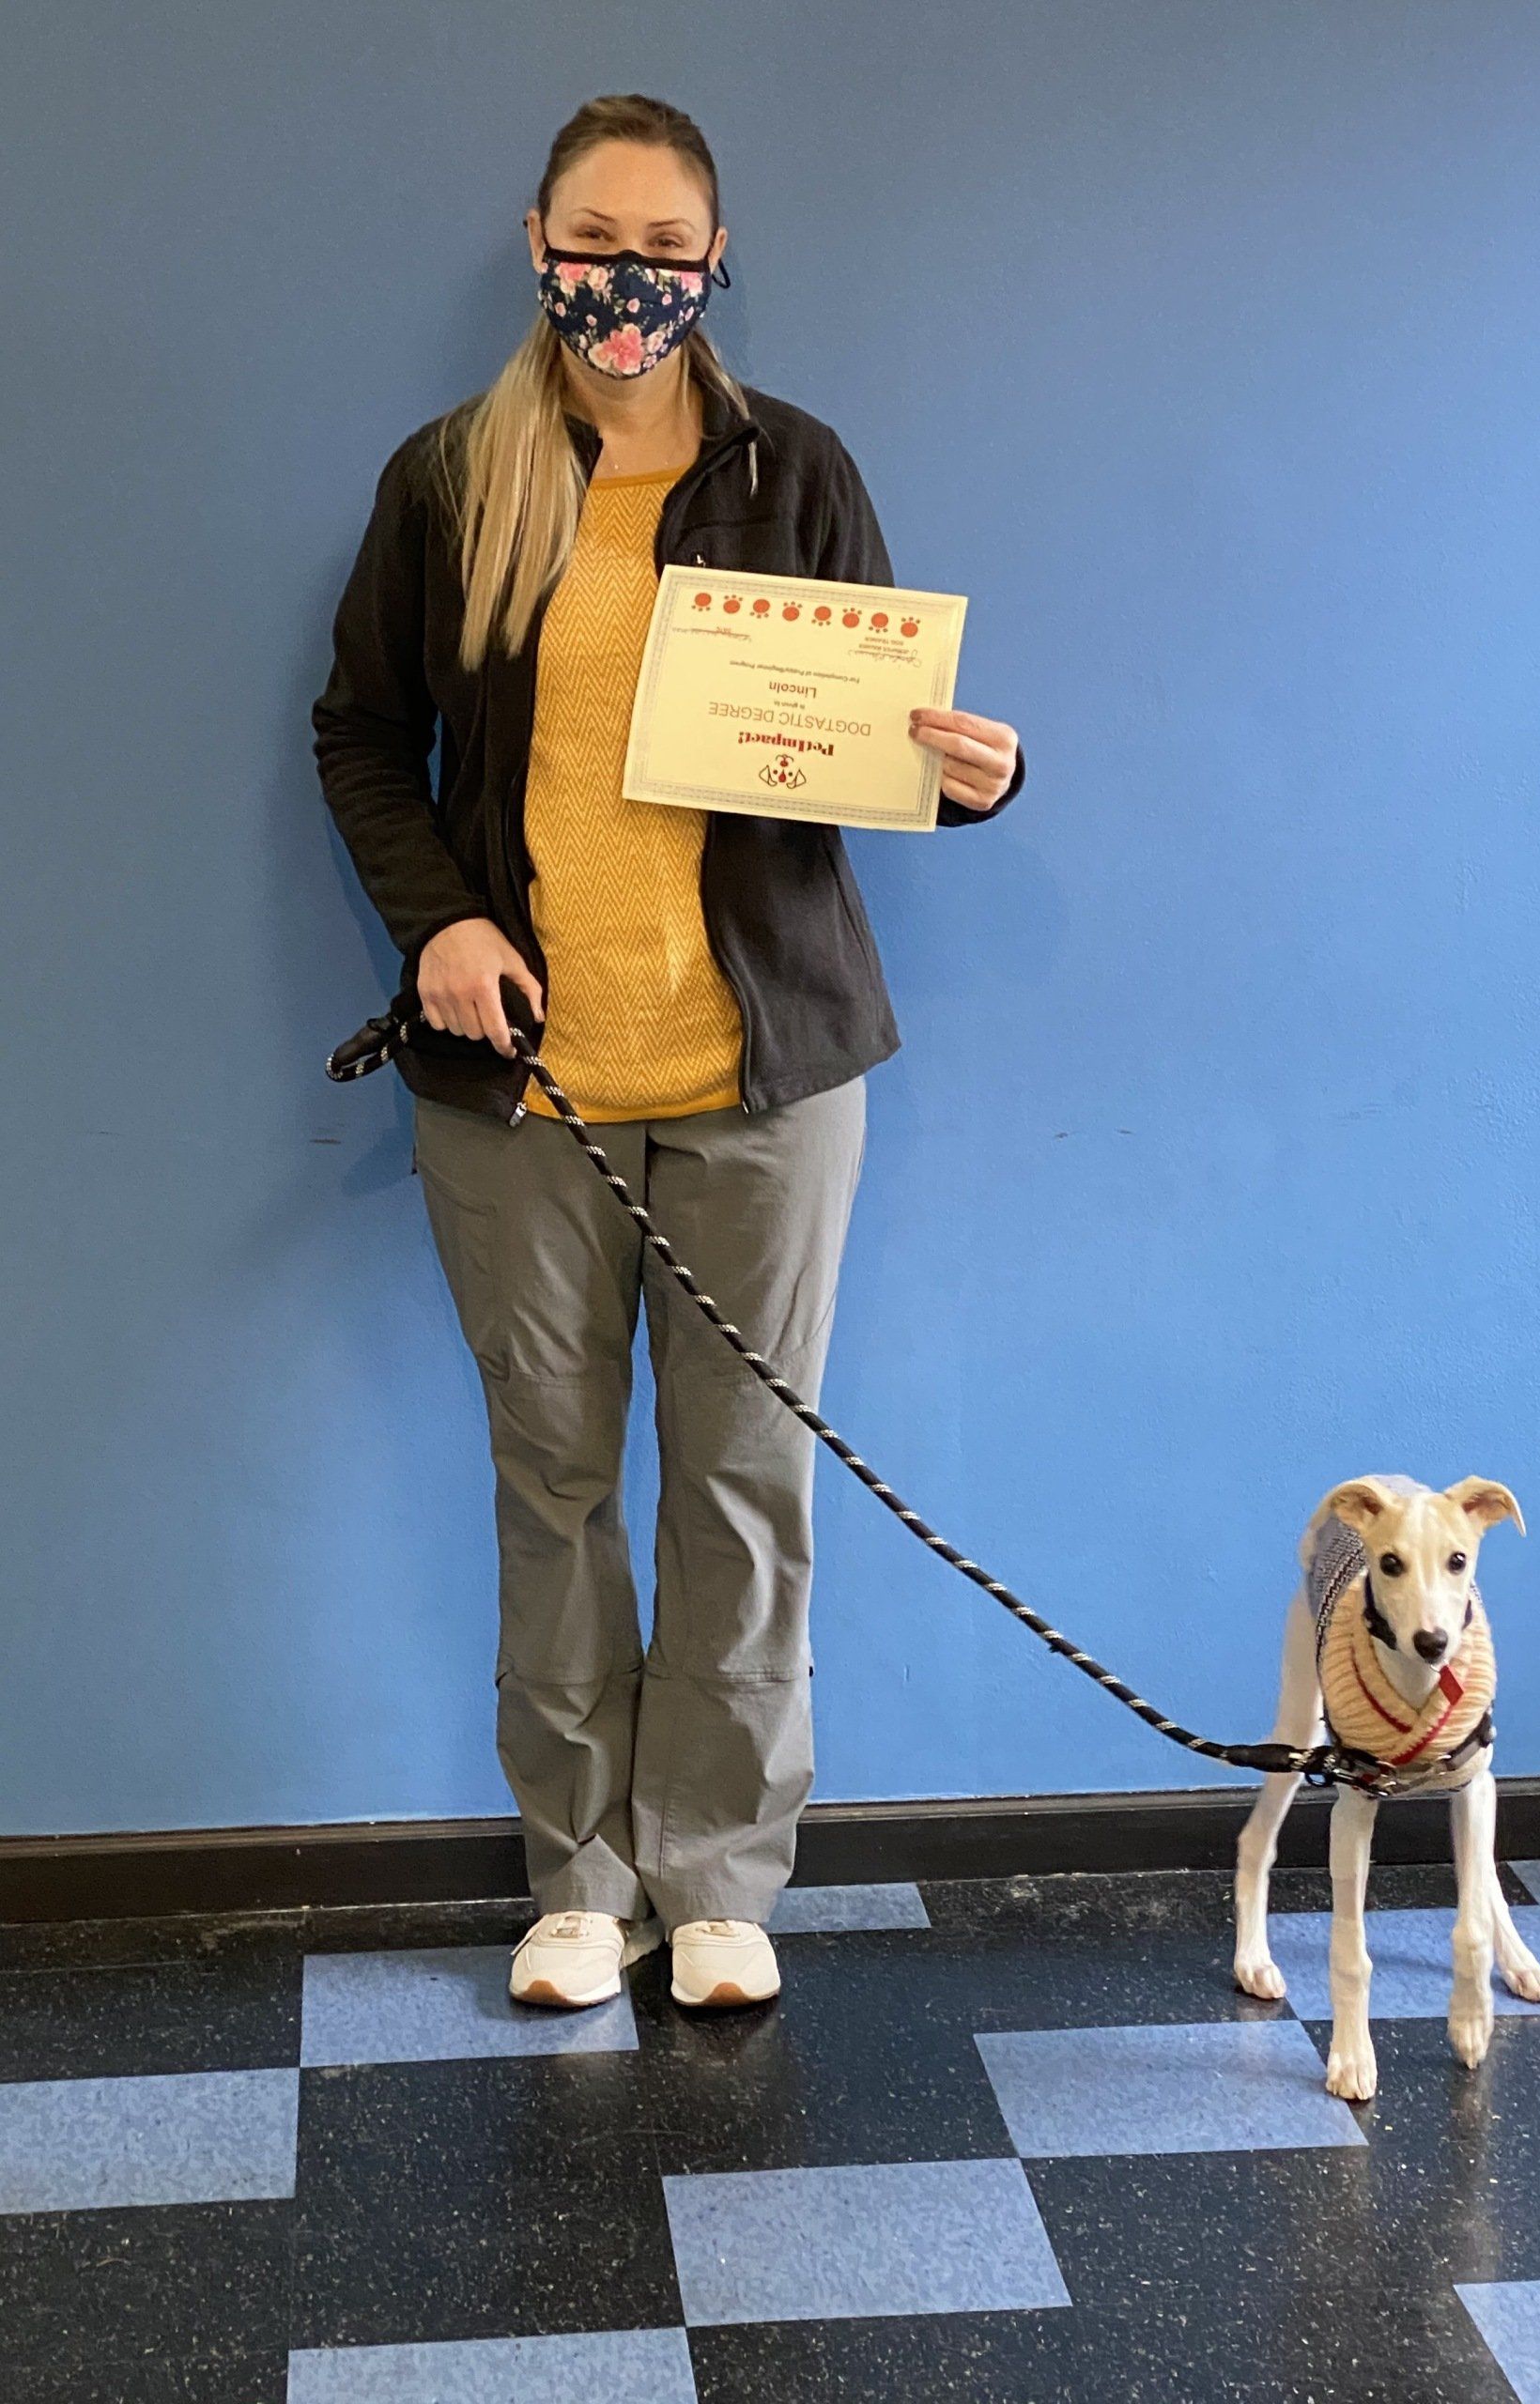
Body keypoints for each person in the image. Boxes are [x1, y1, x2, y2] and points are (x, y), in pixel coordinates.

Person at [312, 91, 1024, 2012]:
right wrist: (440, 923)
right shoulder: (451, 478)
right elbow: (361, 737)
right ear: (538, 236)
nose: (626, 280)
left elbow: (875, 734)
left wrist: (976, 774)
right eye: (593, 236)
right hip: (522, 1094)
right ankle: (578, 1873)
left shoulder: (795, 469)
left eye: (664, 247)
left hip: (764, 1088)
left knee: (741, 1495)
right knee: (553, 1486)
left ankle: (716, 1871)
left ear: (718, 266)